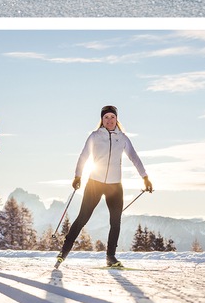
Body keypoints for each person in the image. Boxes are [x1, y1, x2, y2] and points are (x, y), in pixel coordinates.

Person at [56, 105, 152, 268]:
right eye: (106, 117)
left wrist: (145, 178)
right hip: (95, 183)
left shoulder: (123, 138)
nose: (109, 120)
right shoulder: (94, 136)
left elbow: (134, 158)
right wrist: (78, 175)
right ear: (102, 120)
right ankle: (63, 252)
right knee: (83, 218)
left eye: (112, 117)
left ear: (116, 119)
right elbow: (83, 156)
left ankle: (111, 257)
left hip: (115, 186)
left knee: (115, 222)